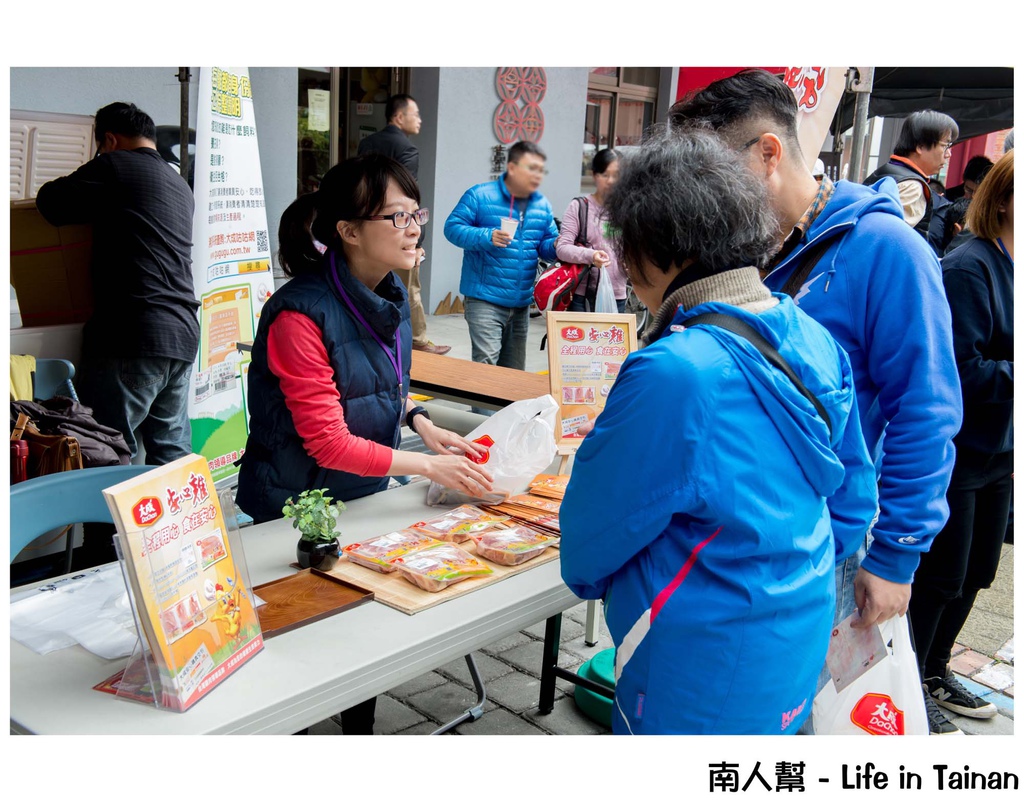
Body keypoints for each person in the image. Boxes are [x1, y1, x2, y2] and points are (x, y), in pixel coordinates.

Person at [669, 70, 963, 734]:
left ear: (768, 155)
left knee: (812, 715)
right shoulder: (737, 253)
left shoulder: (886, 251)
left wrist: (895, 556)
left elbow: (927, 412)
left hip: (831, 541)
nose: (700, 200)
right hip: (736, 533)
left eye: (711, 176)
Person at [559, 129, 877, 735]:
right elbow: (854, 494)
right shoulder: (811, 334)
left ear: (661, 245)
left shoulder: (675, 370)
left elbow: (591, 534)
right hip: (798, 622)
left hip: (696, 650)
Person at [235, 155, 493, 733]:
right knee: (304, 649)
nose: (413, 228)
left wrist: (422, 421)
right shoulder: (299, 315)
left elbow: (380, 387)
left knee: (359, 648)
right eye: (396, 216)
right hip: (295, 512)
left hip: (360, 498)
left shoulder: (389, 299)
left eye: (415, 213)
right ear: (348, 231)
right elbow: (327, 440)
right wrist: (429, 466)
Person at [909, 149, 1014, 725]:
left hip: (1002, 450)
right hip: (959, 450)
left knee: (979, 573)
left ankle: (936, 670)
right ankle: (912, 680)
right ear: (1003, 200)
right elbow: (959, 370)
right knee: (941, 577)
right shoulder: (969, 267)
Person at [35, 101, 198, 465]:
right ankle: (176, 523)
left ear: (109, 139)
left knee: (107, 451)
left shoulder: (115, 165)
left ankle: (106, 526)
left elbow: (51, 202)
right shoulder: (179, 185)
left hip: (132, 334)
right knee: (170, 454)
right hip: (181, 333)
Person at [444, 140, 558, 371]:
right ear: (513, 168)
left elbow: (546, 246)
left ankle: (506, 410)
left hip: (521, 303)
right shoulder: (479, 195)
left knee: (513, 372)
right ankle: (483, 409)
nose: (536, 175)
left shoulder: (542, 205)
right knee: (486, 369)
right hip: (484, 298)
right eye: (531, 168)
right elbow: (452, 228)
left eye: (540, 169)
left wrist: (558, 244)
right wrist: (487, 236)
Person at [358, 94, 450, 355]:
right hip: (396, 231)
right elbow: (408, 201)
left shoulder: (368, 143)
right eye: (416, 114)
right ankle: (416, 340)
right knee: (408, 288)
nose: (420, 120)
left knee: (369, 287)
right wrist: (416, 242)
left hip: (368, 230)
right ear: (399, 117)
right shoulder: (407, 149)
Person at [863, 109, 959, 239]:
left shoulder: (887, 170)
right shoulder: (912, 187)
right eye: (945, 146)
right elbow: (886, 238)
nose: (948, 154)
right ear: (920, 147)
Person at [554, 148, 627, 313]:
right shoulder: (579, 207)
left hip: (616, 295)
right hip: (582, 296)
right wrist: (591, 256)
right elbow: (562, 248)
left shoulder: (627, 210)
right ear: (594, 175)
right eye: (605, 175)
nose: (611, 181)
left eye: (616, 175)